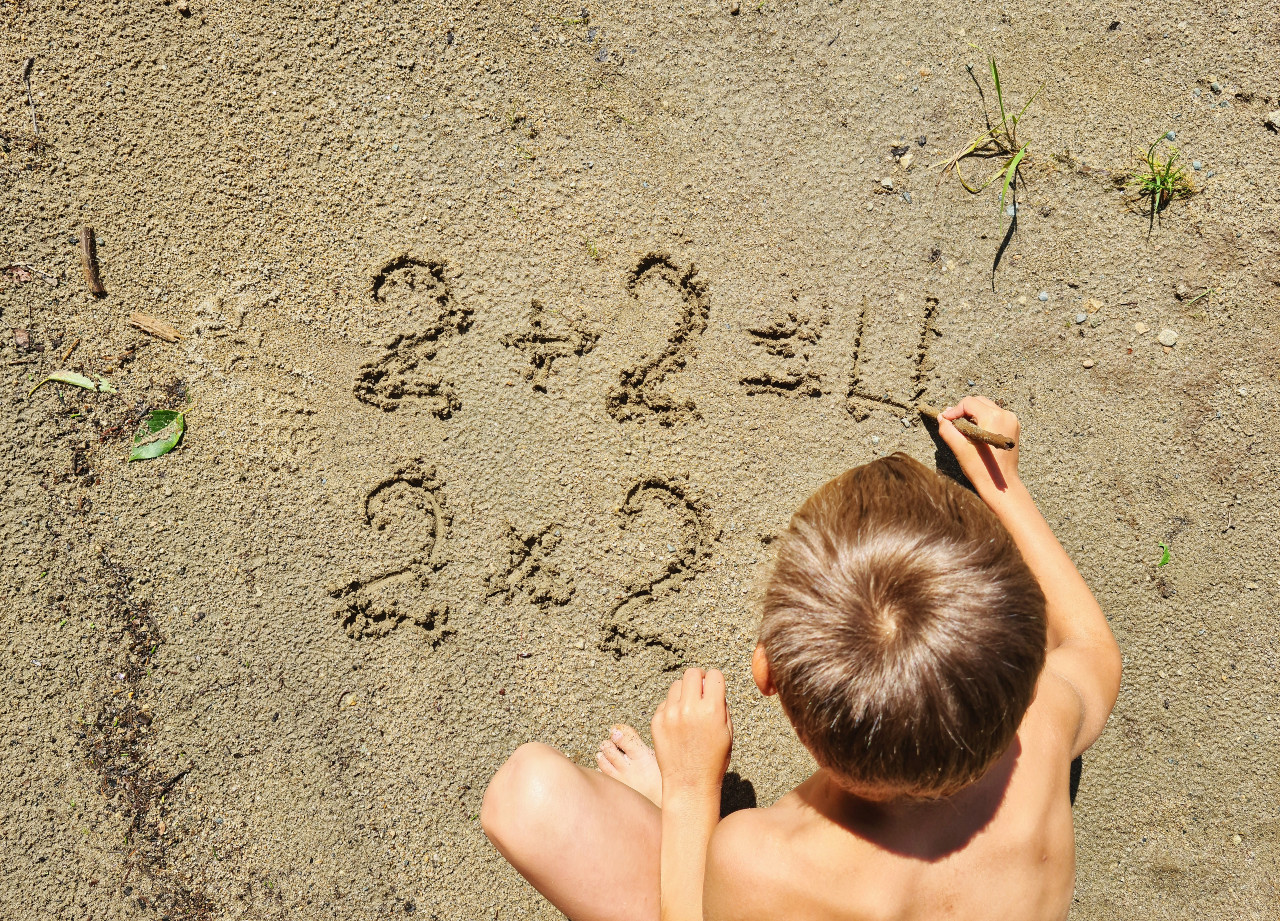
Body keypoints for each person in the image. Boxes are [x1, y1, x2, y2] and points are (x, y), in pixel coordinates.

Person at [480, 396, 1122, 921]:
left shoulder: (760, 861)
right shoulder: (1042, 728)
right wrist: (1003, 488)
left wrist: (689, 791)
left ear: (766, 673)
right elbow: (1094, 652)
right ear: (1020, 676)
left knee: (525, 800)